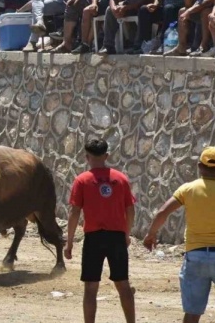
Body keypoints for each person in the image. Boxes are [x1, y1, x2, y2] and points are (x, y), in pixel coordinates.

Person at [144, 146, 215, 323]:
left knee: (192, 313)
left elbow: (162, 212)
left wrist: (151, 234)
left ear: (199, 166)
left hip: (195, 256)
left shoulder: (188, 189)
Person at [65, 138, 136, 323]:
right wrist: (126, 235)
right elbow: (130, 210)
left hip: (93, 238)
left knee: (90, 287)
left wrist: (69, 241)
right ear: (107, 155)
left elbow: (74, 213)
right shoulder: (121, 179)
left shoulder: (82, 180)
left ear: (87, 157)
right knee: (123, 284)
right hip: (116, 237)